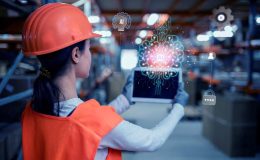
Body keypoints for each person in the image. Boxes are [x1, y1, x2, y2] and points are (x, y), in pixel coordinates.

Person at [21, 3, 189, 160]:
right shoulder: (93, 120)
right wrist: (179, 108)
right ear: (76, 54)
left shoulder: (30, 110)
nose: (91, 54)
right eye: (89, 47)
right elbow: (152, 140)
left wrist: (124, 100)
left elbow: (89, 121)